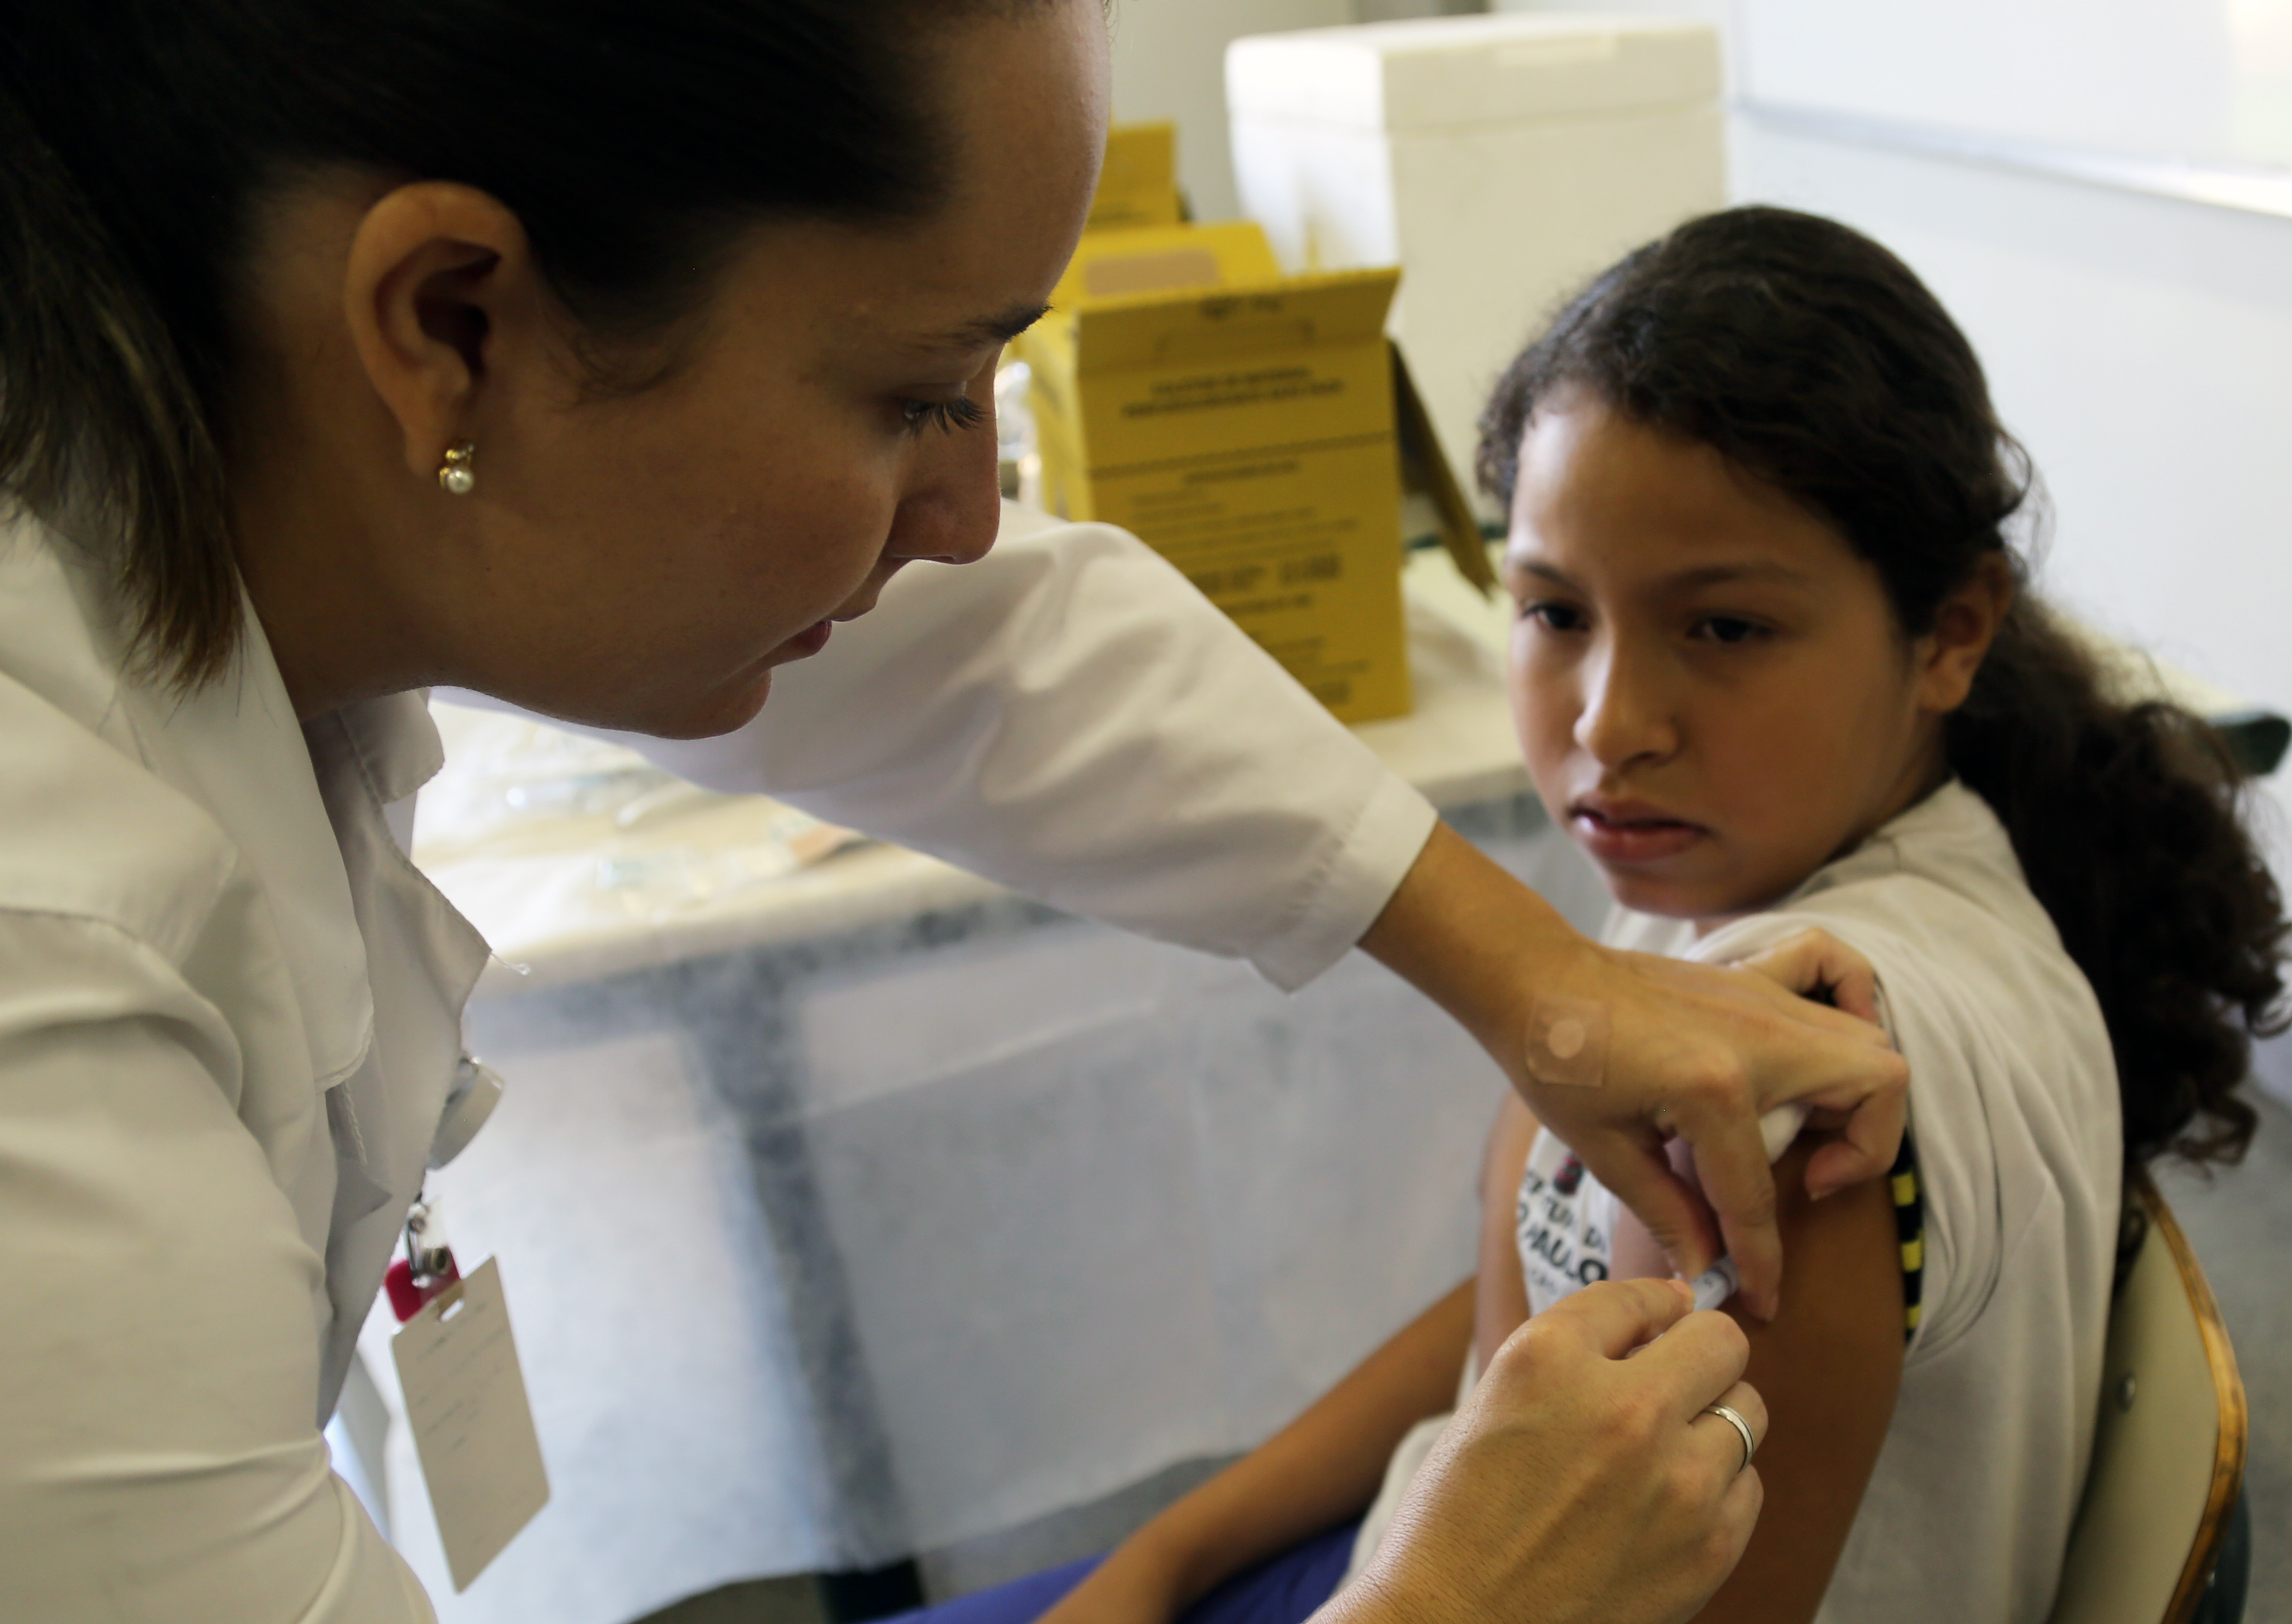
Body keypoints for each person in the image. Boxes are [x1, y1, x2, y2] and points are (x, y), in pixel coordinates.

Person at [0, 5, 1911, 1617]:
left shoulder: (245, 463)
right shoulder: (43, 994)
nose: (974, 510)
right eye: (917, 395)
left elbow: (985, 649)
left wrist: (1542, 980)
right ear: (449, 324)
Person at [944, 207, 2287, 1624]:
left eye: (1721, 628)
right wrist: (1162, 1557)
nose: (1609, 723)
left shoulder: (1794, 1083)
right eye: (1551, 611)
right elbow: (1525, 1325)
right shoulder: (1757, 875)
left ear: (1950, 630)